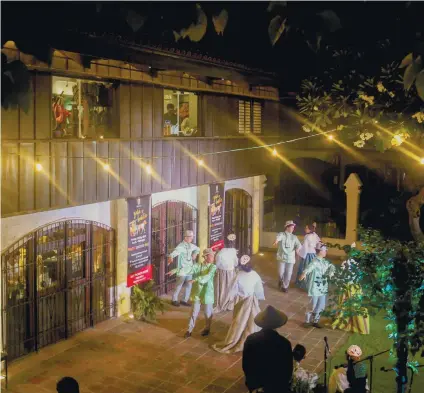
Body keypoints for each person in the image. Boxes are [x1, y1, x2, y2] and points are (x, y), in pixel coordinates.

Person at [212, 255, 265, 354]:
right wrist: (259, 299)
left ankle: (239, 337)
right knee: (251, 322)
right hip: (252, 301)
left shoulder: (238, 275)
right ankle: (250, 339)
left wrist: (230, 300)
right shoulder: (255, 274)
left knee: (239, 321)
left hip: (241, 301)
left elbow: (232, 291)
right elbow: (259, 290)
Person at [242, 305, 293, 393]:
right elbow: (287, 370)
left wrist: (253, 385)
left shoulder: (251, 339)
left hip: (256, 384)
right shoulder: (284, 343)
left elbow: (246, 364)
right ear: (278, 325)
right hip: (276, 386)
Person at [178, 248, 217, 338]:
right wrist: (180, 270)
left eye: (213, 256)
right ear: (205, 257)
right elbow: (190, 269)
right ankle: (189, 330)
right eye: (211, 256)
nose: (212, 257)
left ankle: (207, 328)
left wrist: (196, 279)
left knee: (208, 313)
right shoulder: (198, 266)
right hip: (197, 293)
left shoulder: (213, 267)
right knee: (193, 312)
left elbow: (207, 276)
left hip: (207, 293)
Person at [331, 245, 370, 335]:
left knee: (347, 305)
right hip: (354, 286)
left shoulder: (346, 263)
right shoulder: (353, 263)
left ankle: (349, 322)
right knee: (353, 305)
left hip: (349, 286)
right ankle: (354, 323)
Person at [299, 243, 335, 328]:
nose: (326, 251)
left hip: (323, 287)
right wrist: (304, 273)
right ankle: (307, 321)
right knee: (312, 304)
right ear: (320, 251)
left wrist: (331, 273)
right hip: (315, 287)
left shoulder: (325, 262)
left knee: (321, 305)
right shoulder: (315, 261)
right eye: (324, 250)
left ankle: (316, 321)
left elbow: (331, 267)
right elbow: (309, 267)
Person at [167, 230, 200, 307]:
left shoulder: (191, 245)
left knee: (189, 285)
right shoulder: (181, 246)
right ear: (186, 237)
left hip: (189, 269)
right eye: (190, 237)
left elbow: (197, 249)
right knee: (179, 285)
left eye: (192, 237)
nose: (192, 239)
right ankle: (174, 299)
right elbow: (174, 253)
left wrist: (195, 253)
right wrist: (171, 257)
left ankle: (184, 300)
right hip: (182, 270)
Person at [273, 220, 301, 293]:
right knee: (280, 273)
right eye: (291, 227)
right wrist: (276, 240)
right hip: (282, 257)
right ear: (287, 227)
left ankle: (285, 286)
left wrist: (297, 249)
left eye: (293, 227)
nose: (293, 229)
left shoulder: (294, 237)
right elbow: (279, 237)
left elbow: (298, 244)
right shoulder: (282, 234)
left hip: (291, 258)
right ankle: (280, 280)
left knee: (288, 273)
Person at [214, 233, 239, 313]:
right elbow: (236, 263)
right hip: (231, 272)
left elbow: (217, 265)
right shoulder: (233, 251)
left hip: (222, 273)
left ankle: (222, 303)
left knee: (222, 289)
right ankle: (230, 304)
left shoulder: (220, 253)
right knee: (231, 288)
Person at [296, 223, 320, 290]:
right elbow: (319, 242)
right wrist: (317, 250)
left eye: (306, 228)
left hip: (307, 255)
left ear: (310, 229)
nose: (305, 229)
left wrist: (299, 253)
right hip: (313, 254)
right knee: (312, 269)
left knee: (305, 268)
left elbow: (305, 248)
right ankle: (312, 284)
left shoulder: (307, 236)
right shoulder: (315, 235)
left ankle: (304, 285)